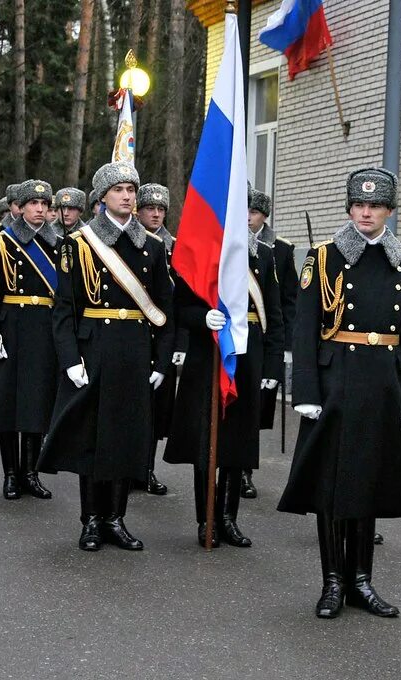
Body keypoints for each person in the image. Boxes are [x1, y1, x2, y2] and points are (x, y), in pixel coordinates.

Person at [278, 168, 401, 619]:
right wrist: (304, 389)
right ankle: (333, 582)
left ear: (389, 210)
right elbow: (305, 329)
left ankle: (362, 581)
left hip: (382, 384)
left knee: (370, 483)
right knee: (330, 485)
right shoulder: (322, 258)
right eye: (359, 205)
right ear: (348, 208)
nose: (366, 212)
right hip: (335, 382)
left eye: (376, 206)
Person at [39, 162, 174, 551]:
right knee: (91, 439)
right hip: (93, 349)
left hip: (135, 353)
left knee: (126, 437)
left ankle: (116, 518)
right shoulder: (79, 244)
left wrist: (162, 363)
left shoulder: (151, 246)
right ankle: (92, 520)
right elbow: (63, 309)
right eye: (119, 190)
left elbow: (165, 310)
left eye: (132, 189)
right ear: (102, 198)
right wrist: (70, 359)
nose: (128, 197)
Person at [164, 191, 285, 549]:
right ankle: (207, 519)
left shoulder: (263, 255)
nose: (243, 217)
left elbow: (275, 317)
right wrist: (203, 318)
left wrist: (274, 365)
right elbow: (180, 308)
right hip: (209, 355)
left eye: (248, 212)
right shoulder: (203, 254)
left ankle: (229, 518)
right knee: (207, 441)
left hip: (249, 357)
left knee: (238, 442)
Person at [0, 179, 59, 500]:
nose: (40, 209)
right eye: (34, 204)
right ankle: (11, 474)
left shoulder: (60, 242)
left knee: (37, 403)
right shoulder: (0, 241)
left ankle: (31, 472)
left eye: (44, 205)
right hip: (10, 328)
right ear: (20, 207)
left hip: (45, 331)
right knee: (8, 405)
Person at [247, 188, 298, 498]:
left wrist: (286, 346)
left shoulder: (279, 249)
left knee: (256, 412)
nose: (248, 217)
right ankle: (235, 469)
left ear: (264, 216)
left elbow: (289, 300)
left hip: (267, 336)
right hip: (242, 334)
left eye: (253, 212)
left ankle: (246, 470)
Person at [135, 182, 177, 496]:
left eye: (161, 209)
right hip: (132, 331)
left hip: (161, 333)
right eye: (150, 208)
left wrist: (180, 345)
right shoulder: (129, 243)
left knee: (154, 411)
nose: (156, 214)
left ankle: (147, 469)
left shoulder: (176, 246)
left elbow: (179, 299)